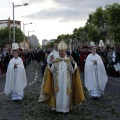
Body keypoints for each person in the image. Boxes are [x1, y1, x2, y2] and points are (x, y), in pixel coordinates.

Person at [39, 40, 84, 113]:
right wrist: (50, 63)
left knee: (66, 94)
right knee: (58, 93)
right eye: (59, 52)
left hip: (67, 82)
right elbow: (51, 70)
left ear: (65, 52)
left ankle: (66, 108)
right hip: (57, 82)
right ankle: (57, 108)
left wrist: (72, 62)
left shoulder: (69, 60)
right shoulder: (56, 60)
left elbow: (73, 70)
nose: (60, 53)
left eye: (62, 51)